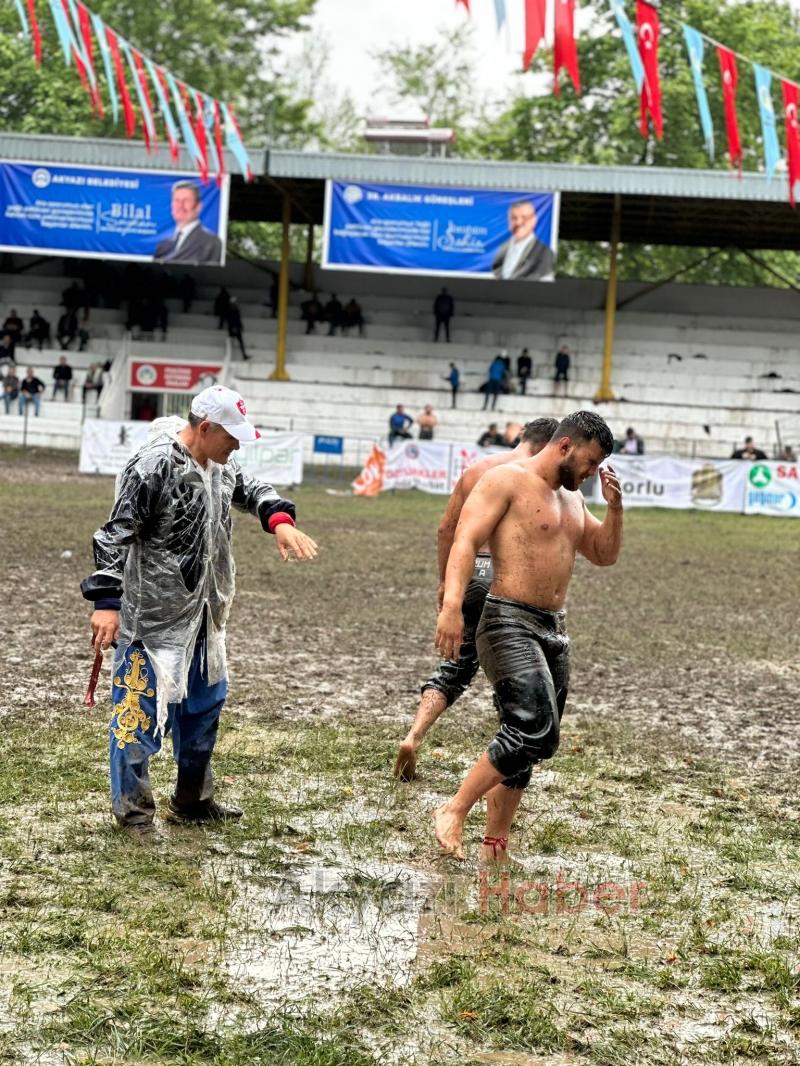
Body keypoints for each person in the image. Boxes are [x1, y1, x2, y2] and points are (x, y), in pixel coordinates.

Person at [80, 385, 318, 835]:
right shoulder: (153, 466)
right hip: (152, 619)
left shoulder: (219, 463)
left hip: (205, 614)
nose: (237, 446)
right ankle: (134, 814)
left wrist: (279, 521)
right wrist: (107, 604)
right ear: (206, 428)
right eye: (232, 436)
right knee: (137, 714)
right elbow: (114, 534)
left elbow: (251, 488)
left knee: (204, 707)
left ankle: (192, 799)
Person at [433, 411, 622, 861]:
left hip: (553, 627)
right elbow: (464, 540)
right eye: (590, 462)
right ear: (565, 446)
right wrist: (451, 606)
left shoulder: (572, 498)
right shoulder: (506, 480)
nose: (591, 472)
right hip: (507, 619)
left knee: (527, 743)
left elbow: (603, 554)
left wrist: (615, 511)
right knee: (534, 730)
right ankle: (454, 808)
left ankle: (494, 844)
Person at [394, 418, 559, 781]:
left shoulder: (478, 471)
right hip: (507, 580)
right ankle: (510, 759)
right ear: (550, 446)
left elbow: (446, 530)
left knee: (456, 665)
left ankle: (414, 735)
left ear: (522, 436)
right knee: (516, 669)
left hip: (471, 574)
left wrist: (446, 583)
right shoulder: (537, 480)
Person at [153, 181, 223, 265]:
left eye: (186, 200)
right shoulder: (163, 245)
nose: (180, 205)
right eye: (176, 200)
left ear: (198, 206)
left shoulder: (211, 242)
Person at [491, 200, 555, 282]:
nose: (518, 222)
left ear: (534, 220)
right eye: (514, 218)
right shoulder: (501, 249)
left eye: (524, 218)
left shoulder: (545, 253)